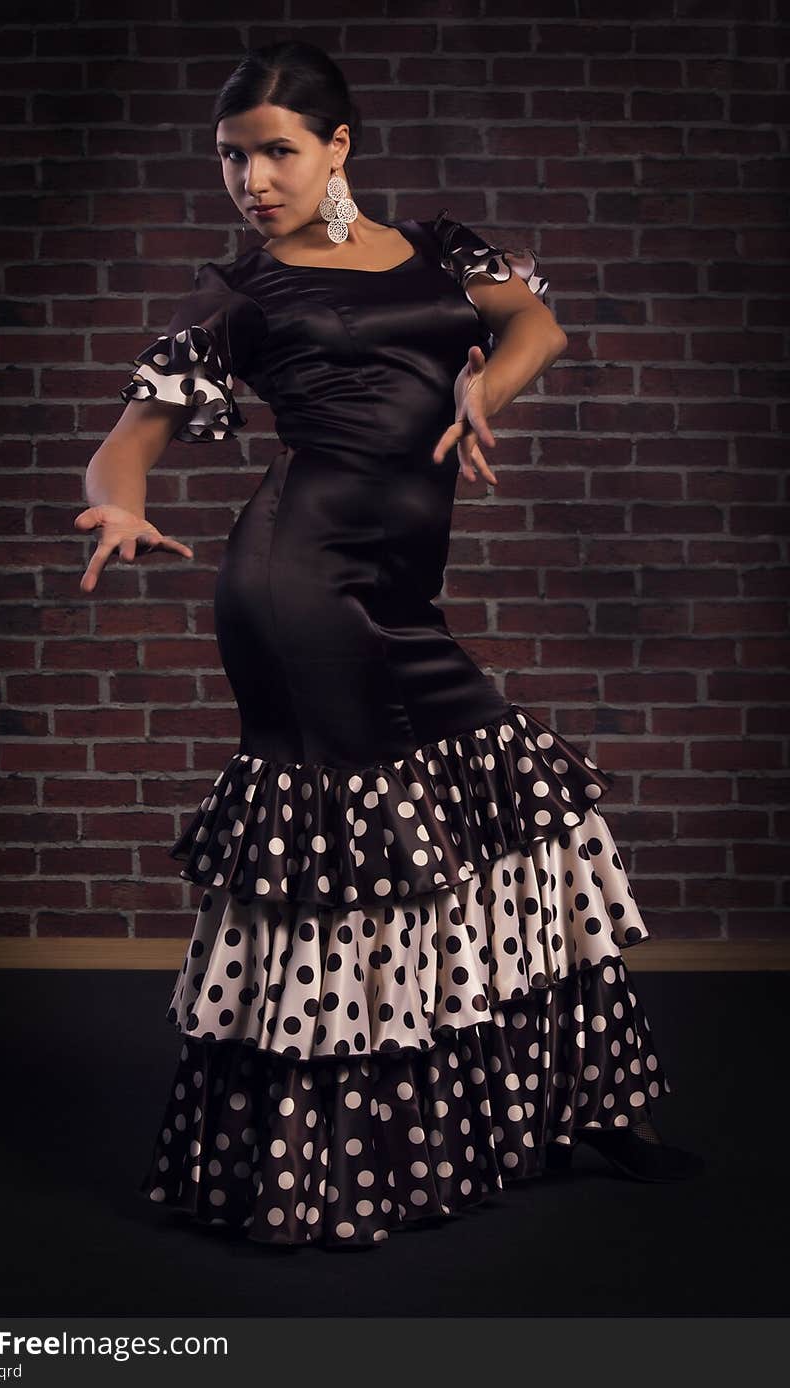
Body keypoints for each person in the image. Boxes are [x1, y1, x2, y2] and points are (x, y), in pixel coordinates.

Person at [75, 40, 704, 1249]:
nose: (252, 180)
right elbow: (128, 439)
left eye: (276, 152)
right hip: (297, 588)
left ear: (336, 147)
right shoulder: (242, 295)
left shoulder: (441, 244)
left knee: (529, 827)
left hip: (403, 596)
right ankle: (320, 1168)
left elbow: (536, 329)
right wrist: (119, 498)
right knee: (350, 870)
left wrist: (483, 393)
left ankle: (578, 1109)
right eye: (231, 157)